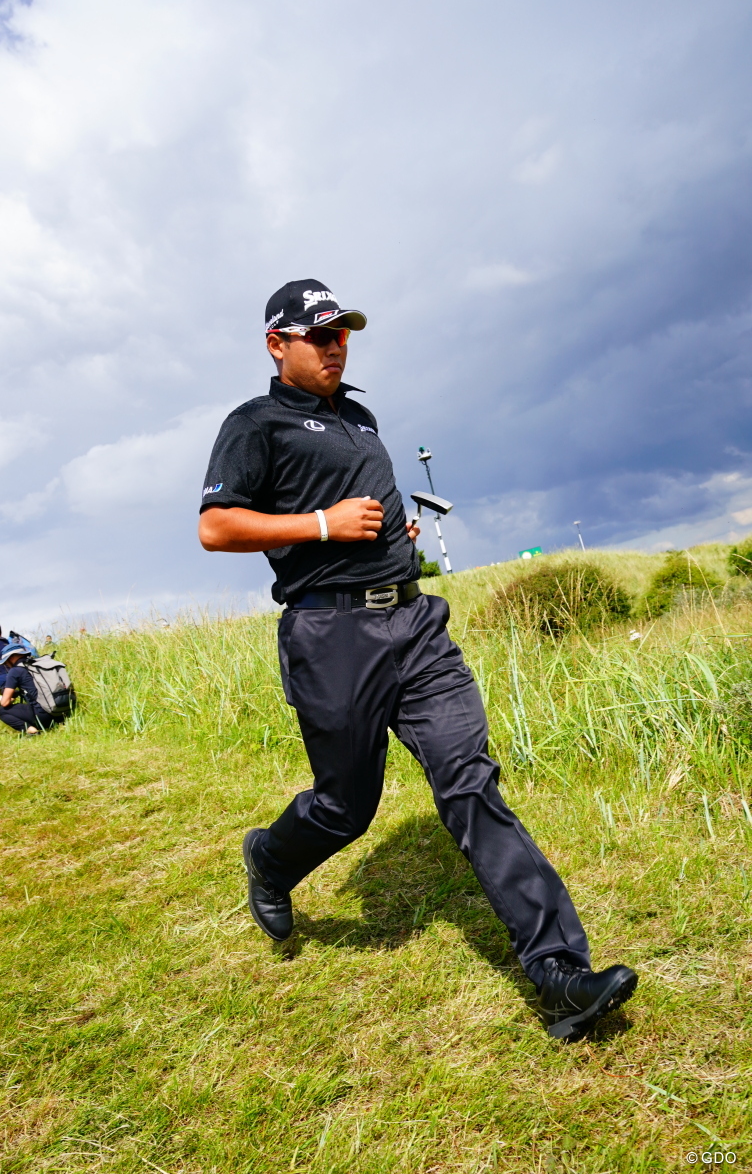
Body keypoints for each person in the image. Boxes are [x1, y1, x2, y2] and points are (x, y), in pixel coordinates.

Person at [198, 279, 638, 1041]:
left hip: (413, 622)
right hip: (331, 639)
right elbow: (216, 527)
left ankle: (559, 972)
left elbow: (365, 501)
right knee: (346, 807)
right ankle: (271, 858)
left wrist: (392, 532)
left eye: (343, 334)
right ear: (277, 344)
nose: (337, 346)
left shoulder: (361, 417)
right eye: (319, 335)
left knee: (470, 782)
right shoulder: (254, 423)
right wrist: (324, 525)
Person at [0, 643, 53, 734]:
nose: (6, 665)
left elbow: (4, 703)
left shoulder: (15, 671)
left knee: (2, 711)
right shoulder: (36, 664)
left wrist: (6, 699)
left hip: (44, 717)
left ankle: (32, 731)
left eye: (6, 662)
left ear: (12, 657)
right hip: (61, 713)